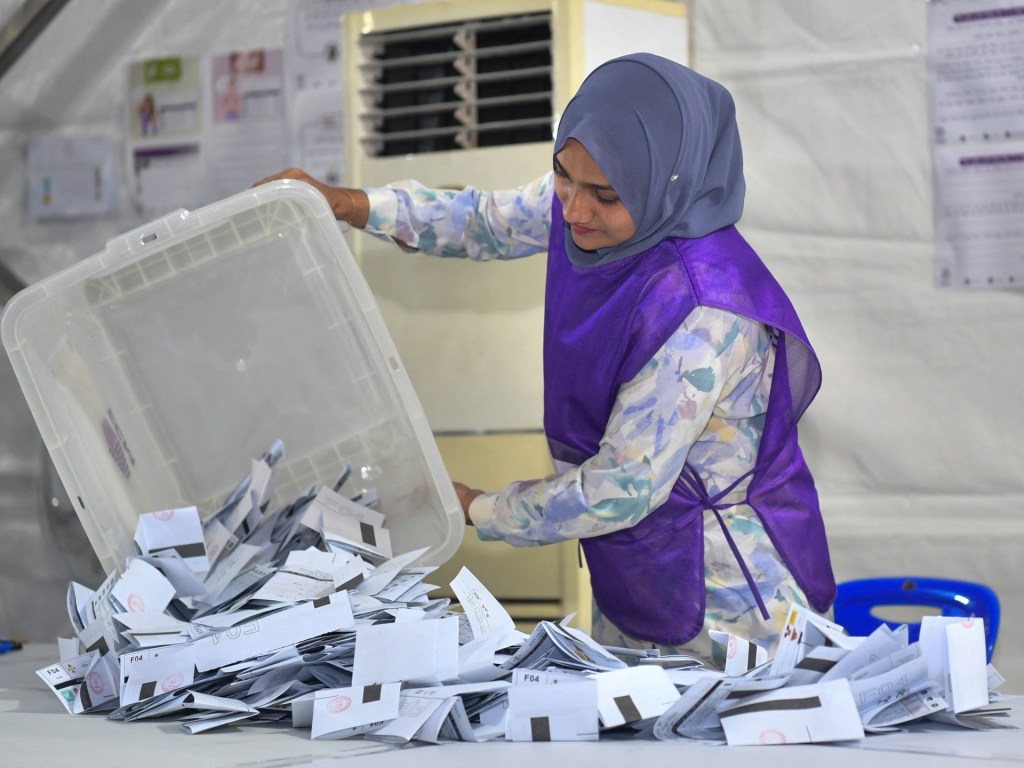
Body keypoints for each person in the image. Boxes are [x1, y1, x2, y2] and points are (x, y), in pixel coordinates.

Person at [256, 52, 836, 664]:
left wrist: (478, 507)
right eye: (563, 176)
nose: (574, 210)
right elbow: (484, 220)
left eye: (604, 195)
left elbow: (621, 488)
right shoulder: (593, 208)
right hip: (637, 566)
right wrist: (349, 203)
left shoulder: (702, 311)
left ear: (668, 183)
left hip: (731, 599)